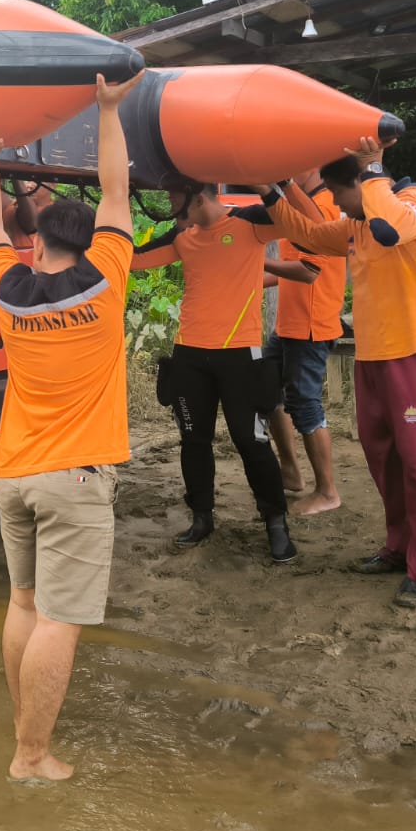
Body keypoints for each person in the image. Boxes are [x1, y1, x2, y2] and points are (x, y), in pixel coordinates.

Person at [0, 69, 141, 783]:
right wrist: (106, 110)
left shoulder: (8, 288)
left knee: (25, 604)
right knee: (61, 620)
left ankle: (23, 725)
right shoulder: (108, 278)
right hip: (75, 479)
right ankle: (31, 755)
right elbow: (118, 188)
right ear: (93, 242)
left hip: (14, 475)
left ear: (38, 247)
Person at [261, 138, 416, 609]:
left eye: (339, 192)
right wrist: (269, 191)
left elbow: (393, 228)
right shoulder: (358, 225)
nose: (335, 204)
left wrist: (372, 166)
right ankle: (398, 547)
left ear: (361, 181)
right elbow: (312, 236)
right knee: (385, 459)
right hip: (376, 357)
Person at [131, 183, 298, 562]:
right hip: (190, 353)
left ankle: (275, 522)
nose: (170, 206)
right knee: (193, 439)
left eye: (175, 198)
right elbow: (133, 260)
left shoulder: (250, 222)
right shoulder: (181, 234)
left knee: (250, 439)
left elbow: (299, 223)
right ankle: (202, 517)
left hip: (241, 354)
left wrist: (272, 186)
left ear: (199, 197)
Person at [261, 169, 346, 516]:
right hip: (289, 324)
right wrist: (248, 278)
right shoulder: (298, 205)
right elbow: (287, 267)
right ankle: (291, 472)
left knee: (305, 404)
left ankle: (327, 491)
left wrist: (258, 265)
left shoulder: (323, 207)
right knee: (265, 389)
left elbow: (310, 270)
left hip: (311, 325)